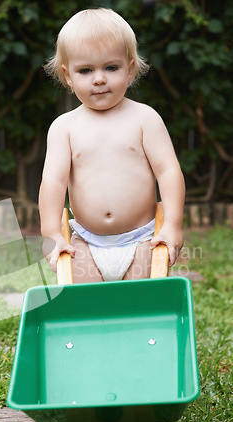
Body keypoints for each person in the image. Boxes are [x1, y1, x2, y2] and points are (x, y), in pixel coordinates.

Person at [39, 8, 185, 283]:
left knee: (138, 302)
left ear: (129, 69)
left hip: (142, 239)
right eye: (85, 70)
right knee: (86, 303)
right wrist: (52, 235)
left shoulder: (145, 119)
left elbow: (168, 171)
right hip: (85, 241)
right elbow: (53, 183)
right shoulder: (64, 128)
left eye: (111, 67)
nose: (99, 78)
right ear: (68, 75)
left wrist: (173, 224)